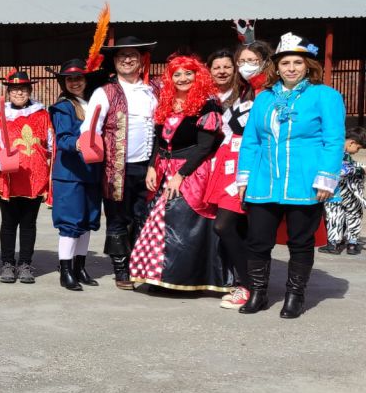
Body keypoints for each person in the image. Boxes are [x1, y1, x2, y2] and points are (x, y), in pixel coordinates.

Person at [238, 33, 346, 318]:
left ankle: (294, 295)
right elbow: (251, 141)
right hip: (264, 178)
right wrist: (244, 178)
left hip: (305, 179)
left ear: (308, 64)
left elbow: (334, 140)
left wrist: (326, 177)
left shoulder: (325, 95)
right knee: (258, 240)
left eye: (297, 62)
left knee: (300, 241)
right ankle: (258, 293)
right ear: (277, 67)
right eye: (285, 63)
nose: (291, 68)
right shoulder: (264, 99)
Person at [129, 55, 227, 293]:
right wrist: (153, 165)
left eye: (188, 73)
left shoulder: (208, 104)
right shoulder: (167, 102)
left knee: (181, 224)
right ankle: (160, 276)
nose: (183, 78)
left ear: (198, 75)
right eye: (177, 74)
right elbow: (158, 141)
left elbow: (205, 146)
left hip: (192, 170)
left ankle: (182, 281)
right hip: (164, 169)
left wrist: (181, 174)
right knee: (158, 221)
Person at [81, 33, 160, 290]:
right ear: (115, 62)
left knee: (143, 217)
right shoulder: (105, 92)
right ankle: (121, 268)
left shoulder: (154, 90)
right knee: (117, 218)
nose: (127, 60)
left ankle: (140, 265)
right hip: (115, 169)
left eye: (133, 56)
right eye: (122, 56)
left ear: (141, 61)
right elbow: (90, 127)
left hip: (148, 166)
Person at [203, 46, 259, 309]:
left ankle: (248, 285)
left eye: (252, 61)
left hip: (246, 166)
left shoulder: (262, 92)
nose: (224, 71)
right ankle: (246, 283)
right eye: (243, 61)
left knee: (228, 226)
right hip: (223, 164)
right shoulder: (217, 95)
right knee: (229, 226)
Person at [0, 70, 53, 284]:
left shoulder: (43, 116)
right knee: (8, 223)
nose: (19, 92)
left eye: (23, 89)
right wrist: (1, 161)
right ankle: (7, 263)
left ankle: (25, 263)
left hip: (34, 178)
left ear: (29, 91)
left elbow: (51, 146)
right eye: (14, 89)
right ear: (8, 92)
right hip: (8, 178)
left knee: (28, 223)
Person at [48, 59, 104, 291]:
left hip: (91, 171)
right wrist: (79, 145)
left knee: (87, 222)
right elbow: (63, 138)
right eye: (70, 79)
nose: (74, 82)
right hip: (70, 172)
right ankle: (66, 270)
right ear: (64, 82)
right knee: (70, 223)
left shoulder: (93, 103)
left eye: (79, 78)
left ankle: (80, 267)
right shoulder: (63, 107)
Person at [320, 126, 366, 256]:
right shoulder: (339, 153)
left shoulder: (333, 150)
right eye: (358, 148)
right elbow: (343, 170)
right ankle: (352, 244)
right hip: (348, 192)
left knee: (335, 217)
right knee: (354, 215)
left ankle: (334, 244)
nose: (356, 151)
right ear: (351, 142)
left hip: (333, 193)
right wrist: (361, 170)